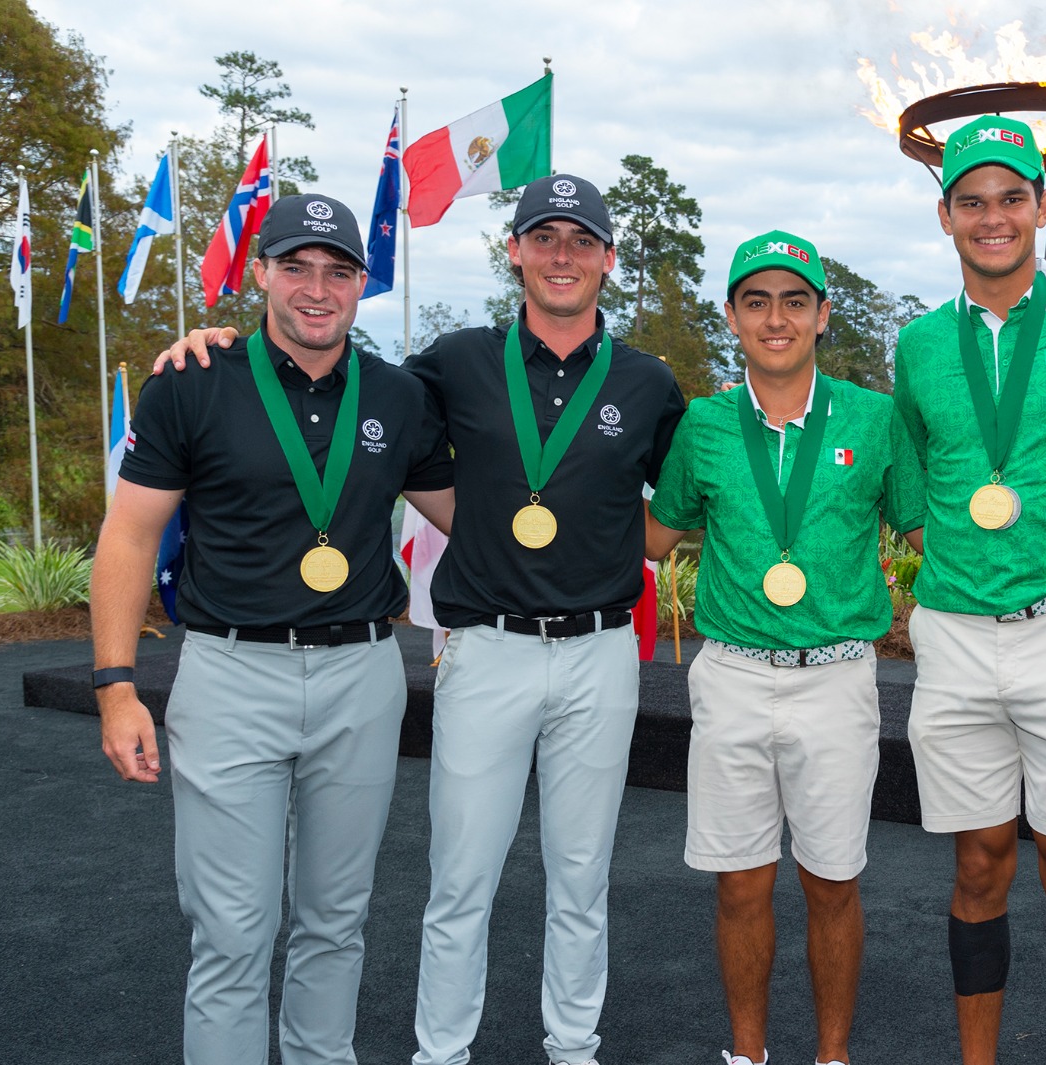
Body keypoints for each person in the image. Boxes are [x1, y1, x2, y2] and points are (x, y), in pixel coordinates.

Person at [155, 174, 686, 1065]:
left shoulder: (649, 382)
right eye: (543, 238)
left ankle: (574, 1047)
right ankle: (441, 1054)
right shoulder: (448, 363)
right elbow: (327, 384)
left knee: (583, 877)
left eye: (581, 240)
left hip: (599, 650)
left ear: (608, 258)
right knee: (459, 881)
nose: (563, 255)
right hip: (483, 647)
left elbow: (677, 504)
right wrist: (213, 343)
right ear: (513, 251)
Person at [92, 192, 455, 1065]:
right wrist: (114, 688)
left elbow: (467, 515)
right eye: (296, 267)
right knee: (233, 929)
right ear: (262, 274)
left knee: (337, 919)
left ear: (362, 283)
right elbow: (130, 534)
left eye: (337, 271)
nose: (317, 288)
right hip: (228, 673)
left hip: (361, 675)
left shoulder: (400, 396)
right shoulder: (192, 379)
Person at [888, 115, 1046, 1065]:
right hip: (954, 630)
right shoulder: (916, 343)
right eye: (972, 201)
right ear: (945, 213)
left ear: (1040, 204)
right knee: (978, 861)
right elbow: (918, 482)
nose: (993, 217)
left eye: (1010, 197)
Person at [646, 231, 897, 1065]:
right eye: (756, 301)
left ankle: (833, 1056)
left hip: (836, 676)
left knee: (832, 882)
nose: (776, 318)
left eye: (795, 300)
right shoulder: (705, 423)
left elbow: (928, 523)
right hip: (735, 676)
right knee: (742, 881)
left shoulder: (872, 415)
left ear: (823, 314)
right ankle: (746, 1055)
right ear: (732, 316)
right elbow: (656, 534)